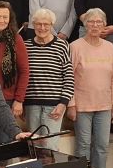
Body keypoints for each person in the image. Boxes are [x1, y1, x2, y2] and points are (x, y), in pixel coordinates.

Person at [67, 8, 113, 168]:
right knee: (83, 146)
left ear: (104, 25)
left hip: (104, 106)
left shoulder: (111, 47)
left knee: (102, 145)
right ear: (85, 24)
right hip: (82, 106)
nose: (95, 25)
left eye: (99, 22)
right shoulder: (75, 46)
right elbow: (68, 77)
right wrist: (71, 104)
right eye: (91, 22)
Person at [23, 9, 75, 146]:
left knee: (50, 147)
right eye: (38, 24)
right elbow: (22, 76)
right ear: (33, 25)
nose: (42, 28)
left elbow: (69, 76)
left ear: (52, 25)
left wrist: (63, 103)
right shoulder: (25, 46)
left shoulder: (62, 46)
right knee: (33, 146)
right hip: (31, 104)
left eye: (46, 24)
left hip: (54, 105)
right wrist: (21, 102)